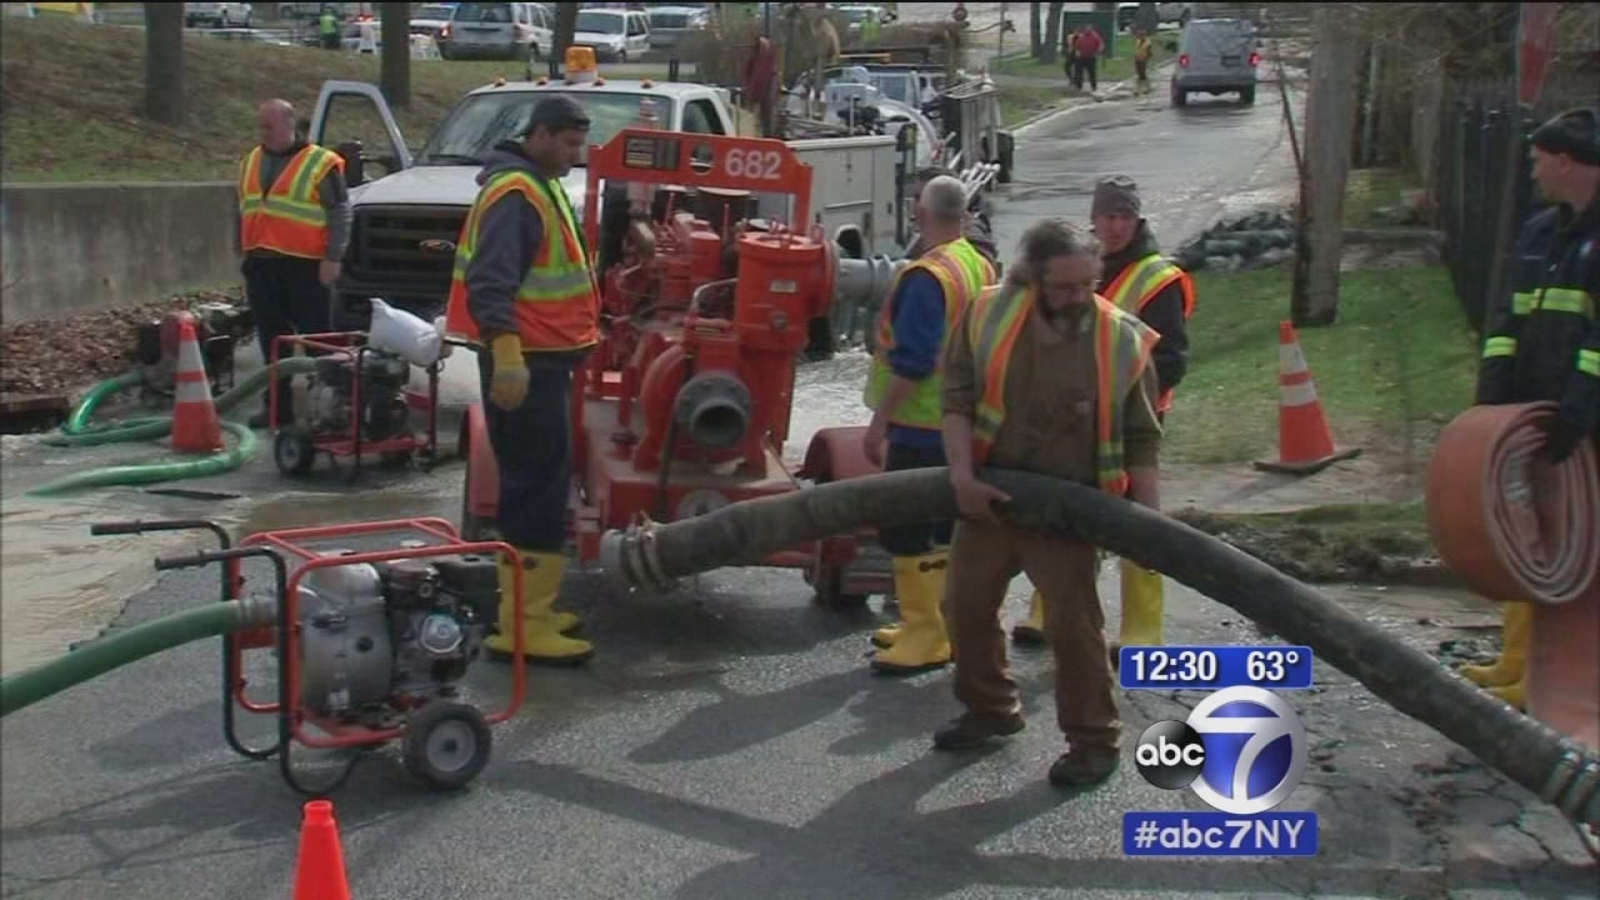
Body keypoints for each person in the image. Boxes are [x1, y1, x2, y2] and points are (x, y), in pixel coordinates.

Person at [934, 219, 1163, 787]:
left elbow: (1142, 438)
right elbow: (956, 400)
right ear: (1029, 280)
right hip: (991, 499)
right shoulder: (987, 315)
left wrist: (1150, 525)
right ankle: (990, 710)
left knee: (1073, 628)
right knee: (961, 607)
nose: (1079, 297)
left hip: (1069, 512)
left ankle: (1093, 742)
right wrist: (962, 477)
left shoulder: (1120, 340)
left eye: (1089, 284)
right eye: (1064, 287)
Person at [443, 97, 601, 665]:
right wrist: (508, 354)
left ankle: (531, 606)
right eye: (567, 142)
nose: (574, 153)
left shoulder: (538, 183)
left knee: (537, 481)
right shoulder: (518, 193)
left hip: (539, 360)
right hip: (526, 363)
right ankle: (523, 626)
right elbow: (491, 282)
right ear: (537, 135)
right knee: (536, 486)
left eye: (580, 144)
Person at [1012, 175, 1193, 656]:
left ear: (1137, 219)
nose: (1115, 226)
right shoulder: (1080, 265)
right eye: (1107, 216)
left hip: (1132, 422)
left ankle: (1142, 631)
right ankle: (1049, 609)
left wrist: (1119, 401)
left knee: (1137, 522)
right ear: (1093, 218)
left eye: (1124, 217)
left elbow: (1170, 360)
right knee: (1067, 516)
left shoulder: (1157, 279)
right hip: (1074, 420)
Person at [1470, 108, 1599, 744]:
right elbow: (1508, 317)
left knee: (1576, 551)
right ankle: (1517, 664)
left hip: (1582, 423)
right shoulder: (1542, 231)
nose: (1531, 168)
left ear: (1567, 162)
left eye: (1538, 158)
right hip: (1533, 416)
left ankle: (1567, 680)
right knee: (1529, 541)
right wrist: (1494, 400)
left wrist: (1578, 411)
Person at [862, 176, 999, 674]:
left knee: (908, 530)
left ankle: (926, 632)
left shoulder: (926, 277)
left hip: (921, 426)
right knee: (943, 531)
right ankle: (937, 624)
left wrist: (879, 423)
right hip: (962, 423)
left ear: (919, 215)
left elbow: (913, 362)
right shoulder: (976, 263)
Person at [236, 98, 351, 429]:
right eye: (261, 126)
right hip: (262, 265)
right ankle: (278, 408)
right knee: (272, 340)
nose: (263, 132)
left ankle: (330, 407)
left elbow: (340, 212)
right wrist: (241, 249)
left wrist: (333, 256)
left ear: (289, 125)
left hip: (305, 266)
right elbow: (244, 208)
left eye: (269, 126)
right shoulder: (251, 161)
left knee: (319, 339)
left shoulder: (320, 162)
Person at [1074, 23, 1104, 92]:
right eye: (1086, 28)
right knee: (1079, 72)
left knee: (1092, 72)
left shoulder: (1095, 36)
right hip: (1081, 56)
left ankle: (1093, 86)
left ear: (1091, 29)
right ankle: (1079, 86)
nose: (1087, 30)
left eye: (1089, 28)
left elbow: (1101, 45)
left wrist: (1098, 52)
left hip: (1091, 56)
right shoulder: (1082, 36)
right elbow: (1077, 46)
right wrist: (1077, 52)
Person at [1133, 26, 1153, 96]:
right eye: (1137, 35)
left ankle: (1142, 89)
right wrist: (1136, 57)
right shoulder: (1138, 41)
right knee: (1140, 75)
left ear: (1143, 36)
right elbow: (1137, 50)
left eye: (1139, 35)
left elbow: (1150, 53)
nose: (1138, 37)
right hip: (1138, 59)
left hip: (1143, 60)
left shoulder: (1148, 43)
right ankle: (1140, 89)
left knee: (1142, 75)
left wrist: (1146, 59)